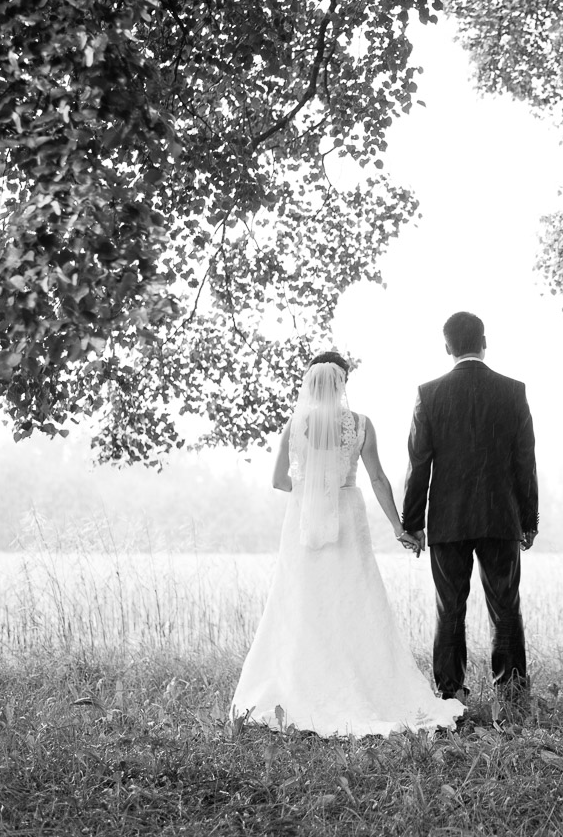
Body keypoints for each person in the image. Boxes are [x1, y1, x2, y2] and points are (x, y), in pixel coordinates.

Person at [230, 351, 464, 737]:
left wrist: (310, 493)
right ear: (343, 384)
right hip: (348, 517)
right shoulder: (360, 424)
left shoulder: (296, 425)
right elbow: (377, 479)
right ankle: (368, 683)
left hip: (303, 525)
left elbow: (278, 481)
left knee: (302, 601)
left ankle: (302, 683)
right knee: (355, 596)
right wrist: (399, 527)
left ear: (311, 384)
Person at [403, 312, 539, 712]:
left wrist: (413, 523)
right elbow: (524, 462)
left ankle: (450, 695)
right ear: (484, 340)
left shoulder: (429, 394)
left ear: (447, 347)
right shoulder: (513, 391)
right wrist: (528, 520)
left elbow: (418, 464)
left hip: (448, 519)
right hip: (500, 517)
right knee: (505, 606)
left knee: (451, 607)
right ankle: (511, 694)